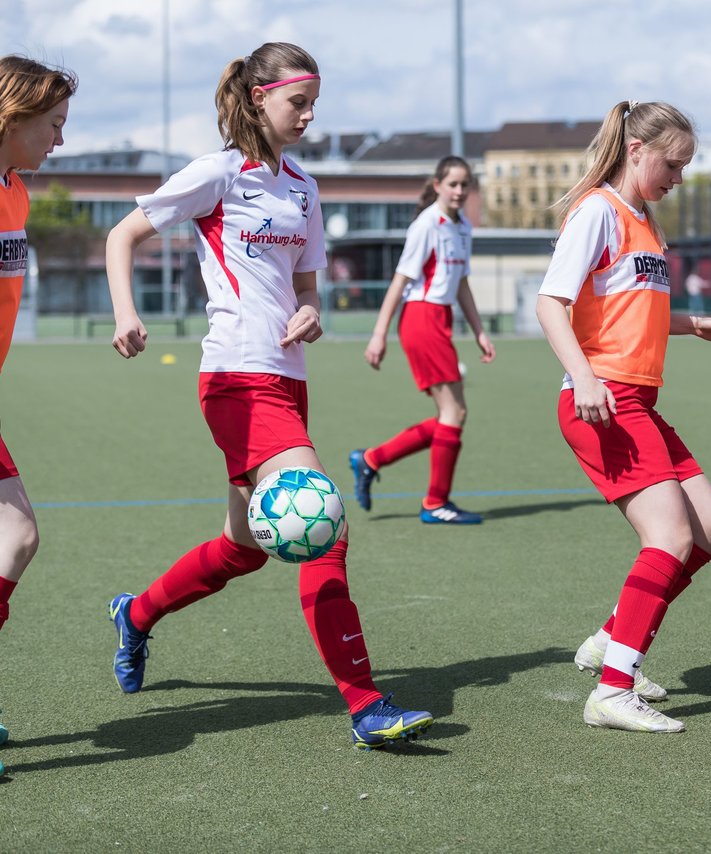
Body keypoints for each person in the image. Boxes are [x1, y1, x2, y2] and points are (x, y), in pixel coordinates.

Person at [103, 42, 432, 750]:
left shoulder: (306, 189)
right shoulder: (220, 173)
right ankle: (366, 703)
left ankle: (136, 615)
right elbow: (123, 234)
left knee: (245, 546)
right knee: (321, 520)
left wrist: (312, 312)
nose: (309, 117)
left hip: (287, 378)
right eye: (298, 103)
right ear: (259, 98)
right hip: (235, 378)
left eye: (315, 104)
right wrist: (127, 312)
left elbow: (306, 286)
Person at [535, 100, 711, 732]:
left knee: (709, 529)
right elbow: (551, 304)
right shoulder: (598, 211)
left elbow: (632, 312)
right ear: (637, 149)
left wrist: (694, 323)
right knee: (671, 537)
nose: (677, 178)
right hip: (603, 401)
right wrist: (587, 377)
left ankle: (610, 642)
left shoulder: (641, 219)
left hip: (636, 401)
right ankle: (613, 690)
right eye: (672, 164)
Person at [0, 55, 77, 771]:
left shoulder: (15, 192)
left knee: (16, 537)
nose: (59, 139)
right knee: (16, 533)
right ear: (13, 115)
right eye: (52, 124)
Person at [350, 155, 494, 524]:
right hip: (421, 318)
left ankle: (371, 460)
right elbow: (400, 282)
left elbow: (461, 284)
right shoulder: (426, 225)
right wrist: (378, 334)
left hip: (439, 318)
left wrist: (479, 331)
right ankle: (434, 503)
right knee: (455, 412)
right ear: (438, 185)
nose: (460, 191)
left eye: (465, 184)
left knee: (450, 415)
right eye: (453, 184)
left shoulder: (462, 227)